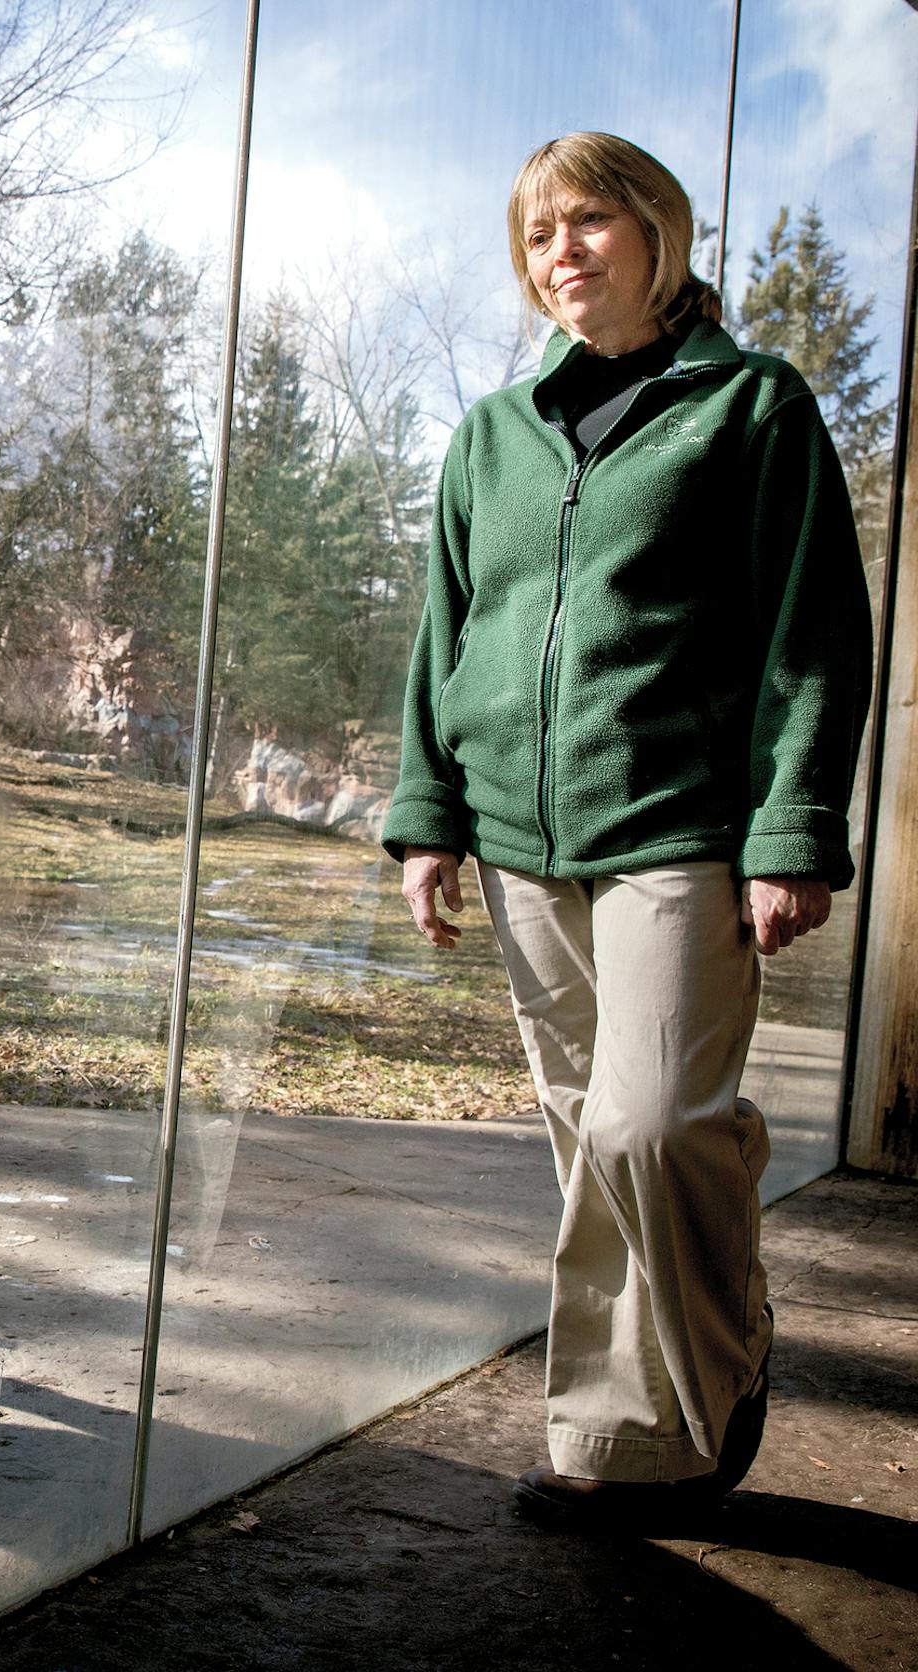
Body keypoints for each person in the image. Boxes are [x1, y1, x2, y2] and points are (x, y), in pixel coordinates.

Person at [381, 132, 873, 1525]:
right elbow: (447, 636)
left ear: (659, 233)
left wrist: (793, 831)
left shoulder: (753, 410)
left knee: (655, 1129)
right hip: (523, 842)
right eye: (540, 236)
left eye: (591, 224)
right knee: (588, 1143)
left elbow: (815, 638)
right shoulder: (493, 433)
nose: (563, 256)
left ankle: (725, 1359)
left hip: (680, 830)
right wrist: (432, 822)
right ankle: (618, 1444)